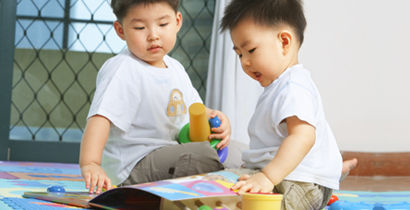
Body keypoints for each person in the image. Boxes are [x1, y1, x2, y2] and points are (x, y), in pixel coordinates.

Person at [79, 0, 231, 194]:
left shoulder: (175, 68)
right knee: (201, 157)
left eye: (162, 24)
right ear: (120, 30)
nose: (153, 35)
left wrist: (218, 122)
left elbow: (194, 111)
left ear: (177, 22)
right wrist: (90, 163)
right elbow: (100, 118)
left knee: (236, 151)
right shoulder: (123, 68)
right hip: (133, 165)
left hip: (171, 154)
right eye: (140, 27)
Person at [220, 0, 349, 209]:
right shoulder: (280, 86)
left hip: (297, 184)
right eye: (239, 54)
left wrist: (267, 177)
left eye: (251, 50)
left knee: (243, 202)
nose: (244, 62)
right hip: (291, 177)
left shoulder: (293, 87)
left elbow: (304, 136)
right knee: (226, 183)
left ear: (284, 42)